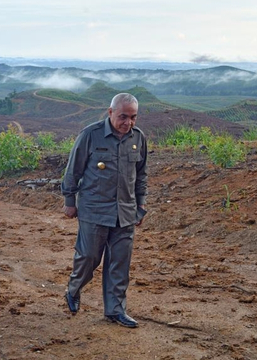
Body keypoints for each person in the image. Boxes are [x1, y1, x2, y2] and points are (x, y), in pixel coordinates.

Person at [61, 93, 148, 328]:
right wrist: (70, 200)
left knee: (119, 263)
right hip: (94, 210)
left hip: (126, 212)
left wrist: (140, 204)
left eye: (133, 117)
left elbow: (140, 174)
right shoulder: (90, 135)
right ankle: (74, 288)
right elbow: (73, 170)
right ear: (110, 112)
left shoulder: (138, 138)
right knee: (89, 257)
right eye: (122, 116)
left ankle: (115, 310)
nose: (127, 122)